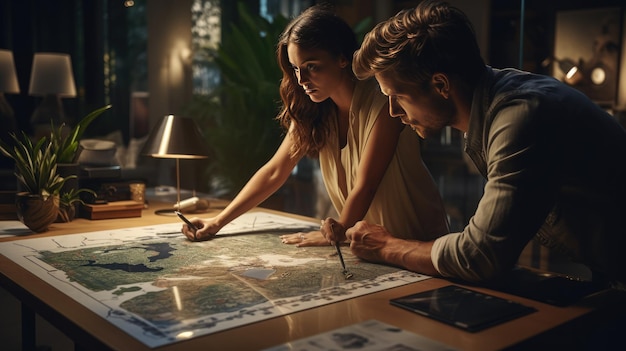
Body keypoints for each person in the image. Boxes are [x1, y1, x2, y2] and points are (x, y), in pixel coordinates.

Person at [338, 0, 626, 288]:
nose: (393, 112)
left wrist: (385, 246)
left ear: (441, 85)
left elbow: (481, 255)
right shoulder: (493, 104)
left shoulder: (520, 117)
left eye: (398, 96)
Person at [181, 5, 449, 246]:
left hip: (416, 238)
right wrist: (218, 222)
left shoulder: (384, 101)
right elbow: (275, 171)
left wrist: (339, 229)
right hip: (366, 244)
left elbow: (366, 185)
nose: (302, 80)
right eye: (296, 69)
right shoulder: (315, 112)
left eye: (312, 66)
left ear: (343, 58)